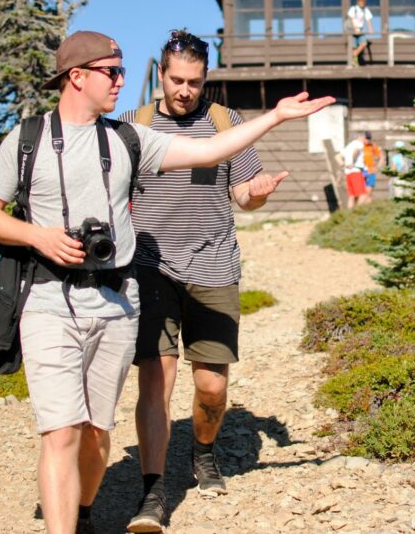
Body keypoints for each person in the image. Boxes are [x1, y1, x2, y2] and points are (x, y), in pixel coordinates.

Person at [0, 30, 333, 534]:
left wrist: (273, 117)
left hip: (121, 300)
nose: (121, 80)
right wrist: (38, 237)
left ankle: (89, 507)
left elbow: (210, 153)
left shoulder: (128, 140)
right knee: (61, 432)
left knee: (98, 432)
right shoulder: (29, 139)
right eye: (111, 72)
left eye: (121, 71)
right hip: (55, 298)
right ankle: (111, 507)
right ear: (78, 76)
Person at [117, 29, 290, 533]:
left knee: (212, 388)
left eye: (194, 81)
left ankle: (204, 451)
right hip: (150, 269)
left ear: (205, 78)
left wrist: (257, 194)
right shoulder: (134, 126)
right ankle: (153, 493)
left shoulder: (226, 124)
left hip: (214, 268)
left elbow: (243, 196)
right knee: (156, 382)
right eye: (176, 80)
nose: (185, 90)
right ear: (161, 74)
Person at [341, 134, 369, 209]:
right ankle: (357, 212)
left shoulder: (349, 146)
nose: (365, 140)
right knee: (362, 194)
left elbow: (338, 156)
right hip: (356, 171)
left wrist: (343, 165)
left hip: (348, 173)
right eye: (364, 138)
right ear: (360, 137)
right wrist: (352, 162)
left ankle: (349, 215)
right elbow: (356, 151)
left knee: (352, 196)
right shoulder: (358, 143)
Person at [346, 0, 374, 66]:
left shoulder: (365, 10)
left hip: (360, 29)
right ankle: (354, 62)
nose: (362, 3)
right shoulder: (353, 8)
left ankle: (354, 54)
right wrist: (355, 28)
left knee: (363, 43)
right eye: (361, 1)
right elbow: (351, 19)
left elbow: (368, 20)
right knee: (353, 46)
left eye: (363, 2)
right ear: (358, 2)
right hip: (352, 29)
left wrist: (370, 28)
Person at [361, 131, 385, 200]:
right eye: (366, 138)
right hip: (361, 171)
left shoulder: (373, 146)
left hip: (370, 171)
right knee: (361, 193)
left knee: (369, 192)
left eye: (369, 138)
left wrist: (377, 168)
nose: (368, 140)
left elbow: (382, 157)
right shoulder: (359, 146)